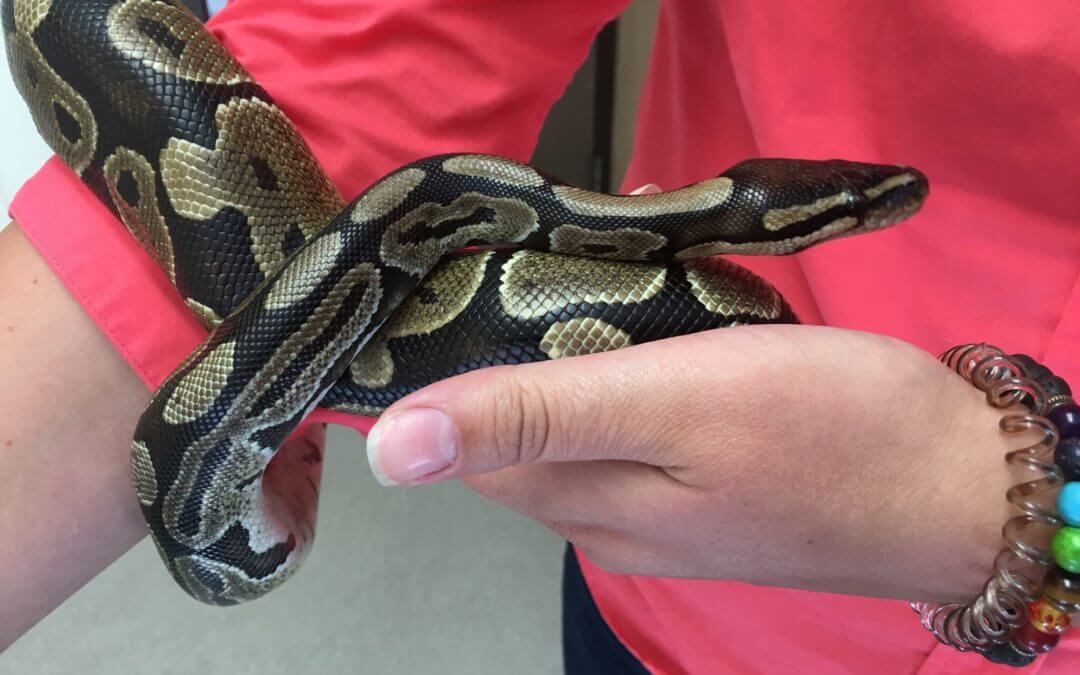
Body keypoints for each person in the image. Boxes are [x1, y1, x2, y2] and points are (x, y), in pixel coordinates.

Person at [2, 0, 1078, 671]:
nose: (876, 206)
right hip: (663, 600)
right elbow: (431, 27)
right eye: (851, 205)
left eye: (854, 205)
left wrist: (993, 508)